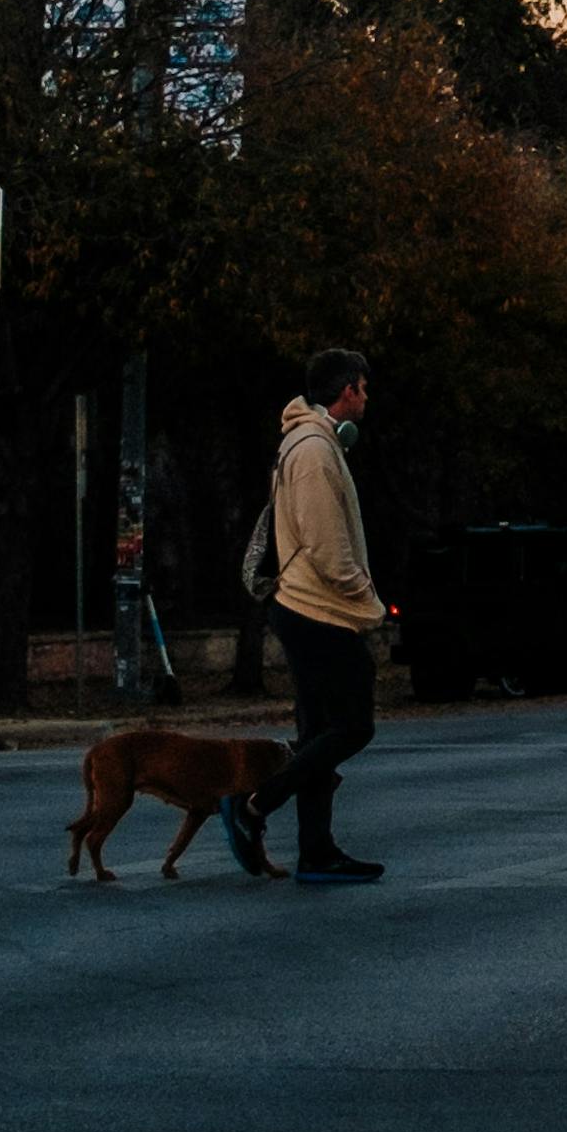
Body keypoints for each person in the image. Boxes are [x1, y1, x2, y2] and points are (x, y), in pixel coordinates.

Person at [224, 351, 391, 886]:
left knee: (319, 732)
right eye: (362, 389)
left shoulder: (305, 443)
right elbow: (327, 547)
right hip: (316, 608)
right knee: (353, 725)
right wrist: (368, 600)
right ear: (346, 391)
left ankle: (317, 852)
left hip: (303, 607)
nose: (366, 398)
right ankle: (253, 807)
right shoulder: (316, 450)